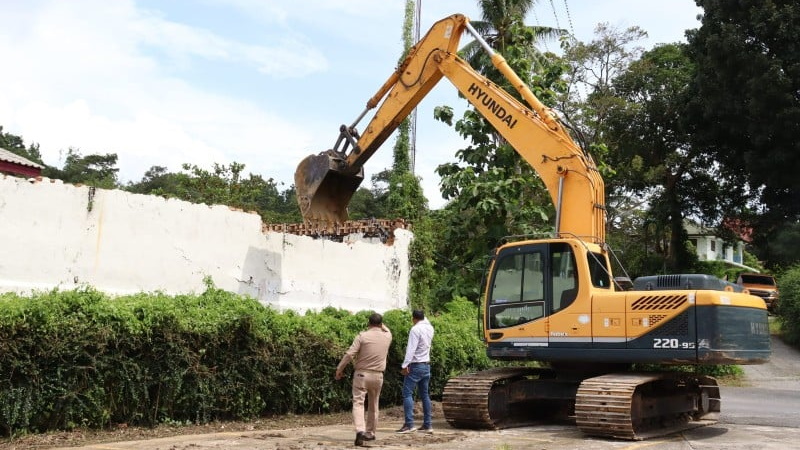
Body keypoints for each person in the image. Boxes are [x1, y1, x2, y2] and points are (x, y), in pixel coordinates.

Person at [335, 312, 392, 447]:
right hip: (378, 376)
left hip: (362, 375)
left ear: (368, 323)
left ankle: (360, 430)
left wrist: (339, 369)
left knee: (358, 403)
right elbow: (386, 328)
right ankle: (370, 432)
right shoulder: (387, 336)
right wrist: (381, 324)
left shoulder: (362, 336)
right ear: (380, 324)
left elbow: (350, 354)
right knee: (374, 405)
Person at [397, 309, 435, 434]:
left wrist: (405, 365)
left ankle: (409, 424)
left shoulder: (415, 329)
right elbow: (426, 321)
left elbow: (411, 349)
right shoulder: (430, 328)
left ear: (414, 318)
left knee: (407, 393)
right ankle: (427, 425)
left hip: (415, 365)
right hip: (426, 365)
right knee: (424, 395)